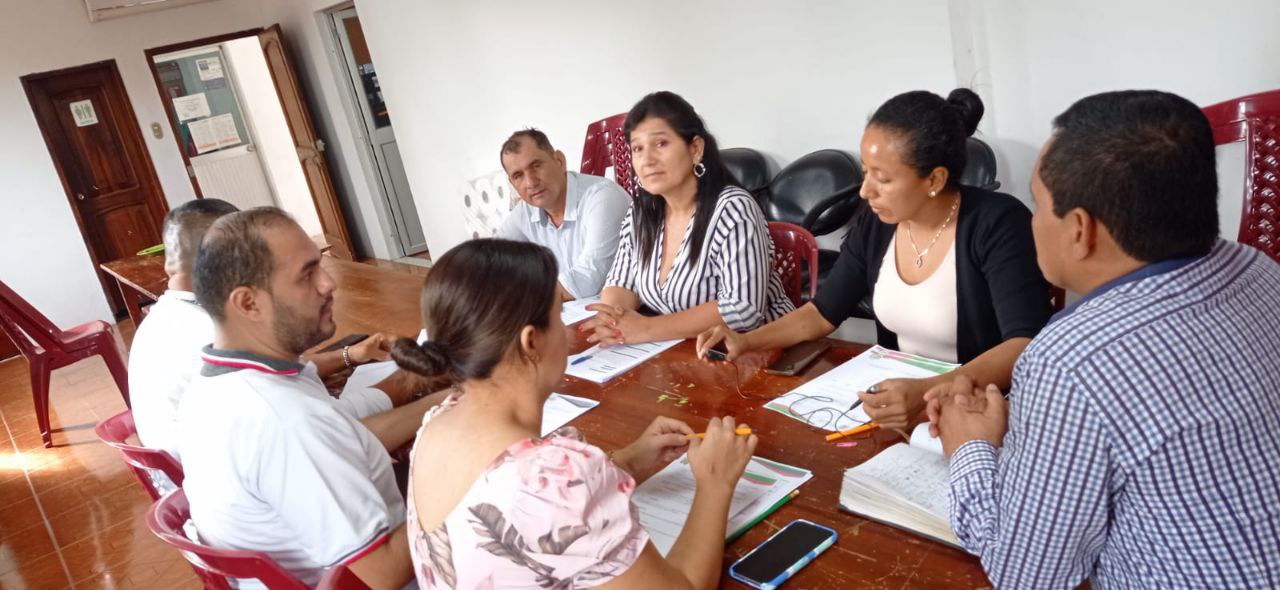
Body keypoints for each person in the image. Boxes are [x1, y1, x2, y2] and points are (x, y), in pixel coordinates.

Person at [927, 90, 1280, 588]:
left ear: (1080, 230)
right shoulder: (1258, 269)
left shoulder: (1071, 362)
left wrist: (971, 446)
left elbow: (1028, 574)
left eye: (1038, 204)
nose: (1032, 221)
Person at [397, 238, 757, 589]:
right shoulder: (549, 479)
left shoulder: (436, 423)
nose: (569, 336)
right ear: (531, 341)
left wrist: (630, 460)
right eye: (558, 316)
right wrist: (715, 482)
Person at [698, 89, 1050, 430]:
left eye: (882, 178)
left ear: (934, 179)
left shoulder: (998, 223)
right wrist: (746, 340)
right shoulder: (878, 223)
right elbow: (821, 313)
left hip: (978, 412)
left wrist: (930, 391)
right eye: (866, 172)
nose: (866, 191)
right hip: (898, 410)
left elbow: (1023, 344)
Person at [179, 207, 443, 588]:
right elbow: (381, 575)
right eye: (307, 274)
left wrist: (440, 399)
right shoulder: (286, 422)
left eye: (320, 265)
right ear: (248, 303)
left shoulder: (211, 388)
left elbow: (343, 436)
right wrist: (456, 478)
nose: (328, 283)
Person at [130, 199, 403, 464]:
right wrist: (408, 382)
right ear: (218, 260)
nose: (328, 284)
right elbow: (322, 425)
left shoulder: (165, 318)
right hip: (204, 469)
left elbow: (281, 374)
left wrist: (350, 354)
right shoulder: (214, 334)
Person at [583, 91, 793, 346]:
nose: (647, 160)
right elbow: (621, 282)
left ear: (695, 149)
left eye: (661, 144)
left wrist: (646, 329)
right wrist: (613, 321)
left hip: (759, 351)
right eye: (637, 148)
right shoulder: (641, 212)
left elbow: (743, 309)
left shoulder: (732, 208)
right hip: (682, 351)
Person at [498, 128, 631, 300]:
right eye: (518, 176)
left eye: (536, 166)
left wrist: (524, 300)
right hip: (572, 312)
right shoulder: (525, 211)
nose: (530, 182)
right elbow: (489, 265)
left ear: (559, 161)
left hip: (625, 309)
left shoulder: (604, 197)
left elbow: (589, 278)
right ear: (512, 184)